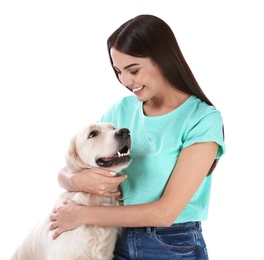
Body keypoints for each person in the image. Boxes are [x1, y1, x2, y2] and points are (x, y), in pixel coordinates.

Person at [49, 14, 225, 259]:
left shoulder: (203, 119)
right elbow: (69, 169)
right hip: (113, 240)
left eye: (133, 70)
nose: (125, 81)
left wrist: (81, 214)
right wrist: (76, 181)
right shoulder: (119, 112)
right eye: (118, 71)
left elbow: (166, 213)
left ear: (163, 59)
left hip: (172, 245)